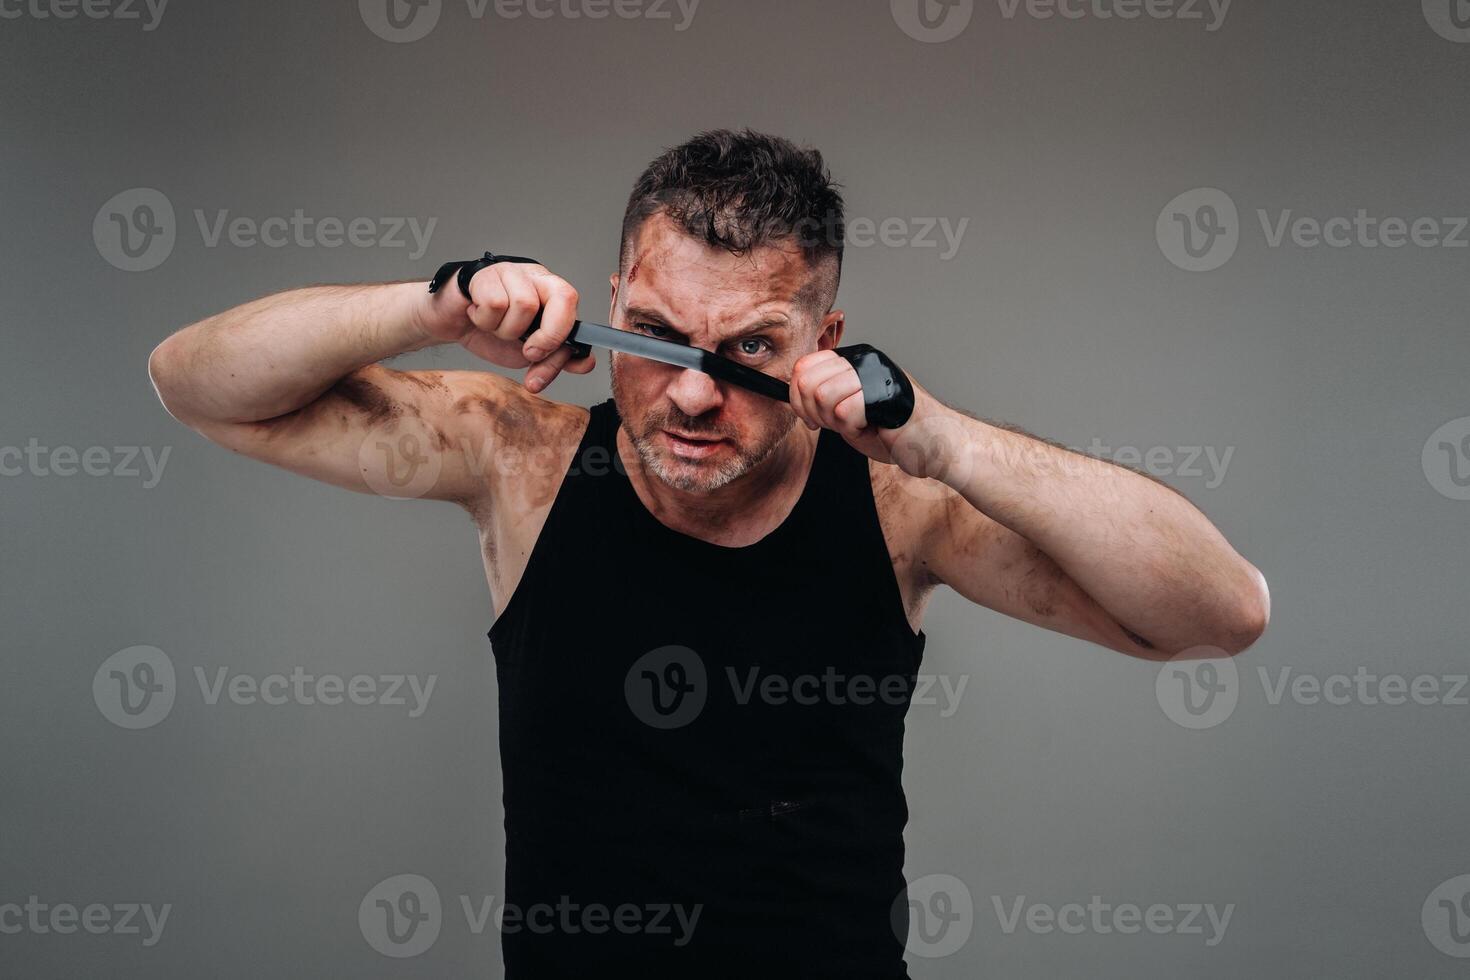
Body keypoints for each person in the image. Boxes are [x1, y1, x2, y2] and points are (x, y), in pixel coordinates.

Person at [147, 128, 1268, 978]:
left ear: (823, 344)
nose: (691, 391)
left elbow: (1222, 612)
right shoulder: (519, 458)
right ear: (613, 302)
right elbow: (199, 386)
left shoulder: (903, 505)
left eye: (749, 350)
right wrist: (430, 308)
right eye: (658, 336)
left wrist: (943, 437)